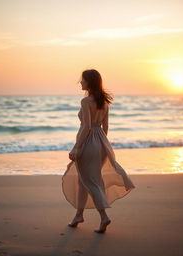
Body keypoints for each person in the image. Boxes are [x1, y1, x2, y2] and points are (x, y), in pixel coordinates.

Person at [62, 69, 136, 233]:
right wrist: (101, 143)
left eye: (82, 80)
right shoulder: (104, 102)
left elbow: (87, 126)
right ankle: (78, 216)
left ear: (90, 82)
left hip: (88, 143)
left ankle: (103, 217)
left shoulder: (86, 101)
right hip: (102, 143)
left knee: (91, 182)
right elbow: (106, 127)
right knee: (84, 180)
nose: (80, 82)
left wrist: (77, 147)